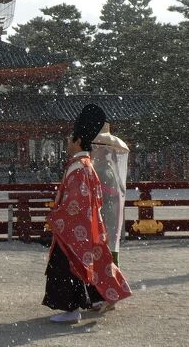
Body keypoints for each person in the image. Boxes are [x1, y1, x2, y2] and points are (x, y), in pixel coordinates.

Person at [43, 104, 131, 323]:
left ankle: (72, 309)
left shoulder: (80, 167)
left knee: (67, 266)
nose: (67, 143)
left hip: (74, 227)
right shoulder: (85, 165)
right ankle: (99, 297)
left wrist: (58, 218)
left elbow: (76, 203)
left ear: (78, 141)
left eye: (69, 140)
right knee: (94, 262)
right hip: (88, 223)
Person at [91, 123, 129, 266]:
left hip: (106, 210)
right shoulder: (106, 167)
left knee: (104, 247)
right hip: (109, 209)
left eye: (96, 147)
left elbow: (106, 192)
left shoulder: (102, 168)